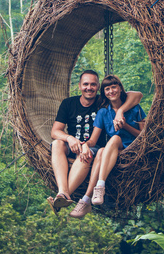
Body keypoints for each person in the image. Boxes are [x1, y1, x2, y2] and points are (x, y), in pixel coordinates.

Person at [47, 70, 142, 213]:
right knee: (56, 143)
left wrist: (120, 111)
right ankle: (62, 191)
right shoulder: (68, 103)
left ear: (98, 87)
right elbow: (55, 132)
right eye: (85, 84)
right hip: (72, 145)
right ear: (79, 86)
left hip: (93, 148)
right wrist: (69, 138)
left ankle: (65, 196)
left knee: (85, 155)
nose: (89, 88)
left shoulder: (103, 101)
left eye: (93, 84)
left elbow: (137, 95)